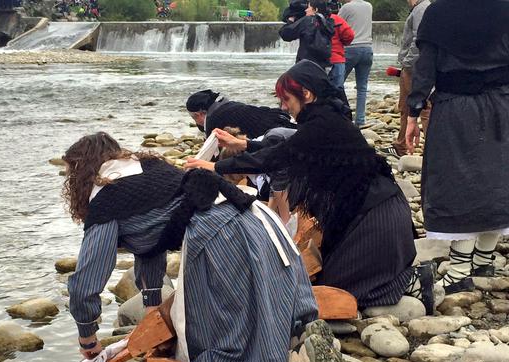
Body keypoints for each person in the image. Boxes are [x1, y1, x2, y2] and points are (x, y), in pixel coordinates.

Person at [63, 132, 349, 362]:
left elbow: (86, 282)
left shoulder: (106, 199)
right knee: (263, 300)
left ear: (81, 170)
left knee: (224, 335)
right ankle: (298, 342)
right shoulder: (144, 168)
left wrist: (88, 339)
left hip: (222, 235)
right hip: (255, 218)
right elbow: (151, 244)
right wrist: (153, 308)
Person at [186, 60, 437, 314]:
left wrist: (215, 167)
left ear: (306, 93)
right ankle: (406, 278)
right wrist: (244, 145)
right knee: (329, 279)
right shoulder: (323, 116)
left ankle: (414, 282)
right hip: (363, 210)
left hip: (377, 217)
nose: (283, 107)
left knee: (345, 290)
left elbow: (277, 157)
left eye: (287, 99)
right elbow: (290, 148)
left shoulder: (322, 123)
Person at [405, 0, 509, 294]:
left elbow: (425, 67)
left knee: (457, 182)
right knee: (497, 180)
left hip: (455, 109)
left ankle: (460, 269)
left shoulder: (438, 12)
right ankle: (484, 260)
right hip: (502, 105)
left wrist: (413, 111)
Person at [382, 0, 431, 158]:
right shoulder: (419, 8)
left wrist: (407, 62)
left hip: (414, 67)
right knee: (405, 106)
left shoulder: (421, 9)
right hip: (411, 66)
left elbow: (419, 38)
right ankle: (401, 145)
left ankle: (432, 149)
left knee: (424, 107)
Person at [186, 90, 295, 138]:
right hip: (279, 118)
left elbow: (214, 157)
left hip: (275, 133)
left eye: (193, 118)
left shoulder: (214, 122)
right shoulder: (227, 104)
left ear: (198, 114)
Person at [339, 0, 373, 126]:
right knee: (362, 87)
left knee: (337, 84)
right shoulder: (369, 6)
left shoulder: (346, 7)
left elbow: (335, 24)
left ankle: (343, 115)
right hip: (367, 48)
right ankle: (360, 119)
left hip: (350, 48)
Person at [279, 0, 335, 69]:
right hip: (322, 65)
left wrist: (290, 21)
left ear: (315, 10)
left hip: (306, 64)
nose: (305, 10)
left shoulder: (307, 21)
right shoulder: (328, 23)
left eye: (308, 7)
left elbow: (286, 34)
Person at [328, 1, 355, 89]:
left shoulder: (312, 20)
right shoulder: (337, 19)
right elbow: (350, 35)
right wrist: (344, 42)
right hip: (337, 58)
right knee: (338, 90)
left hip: (319, 60)